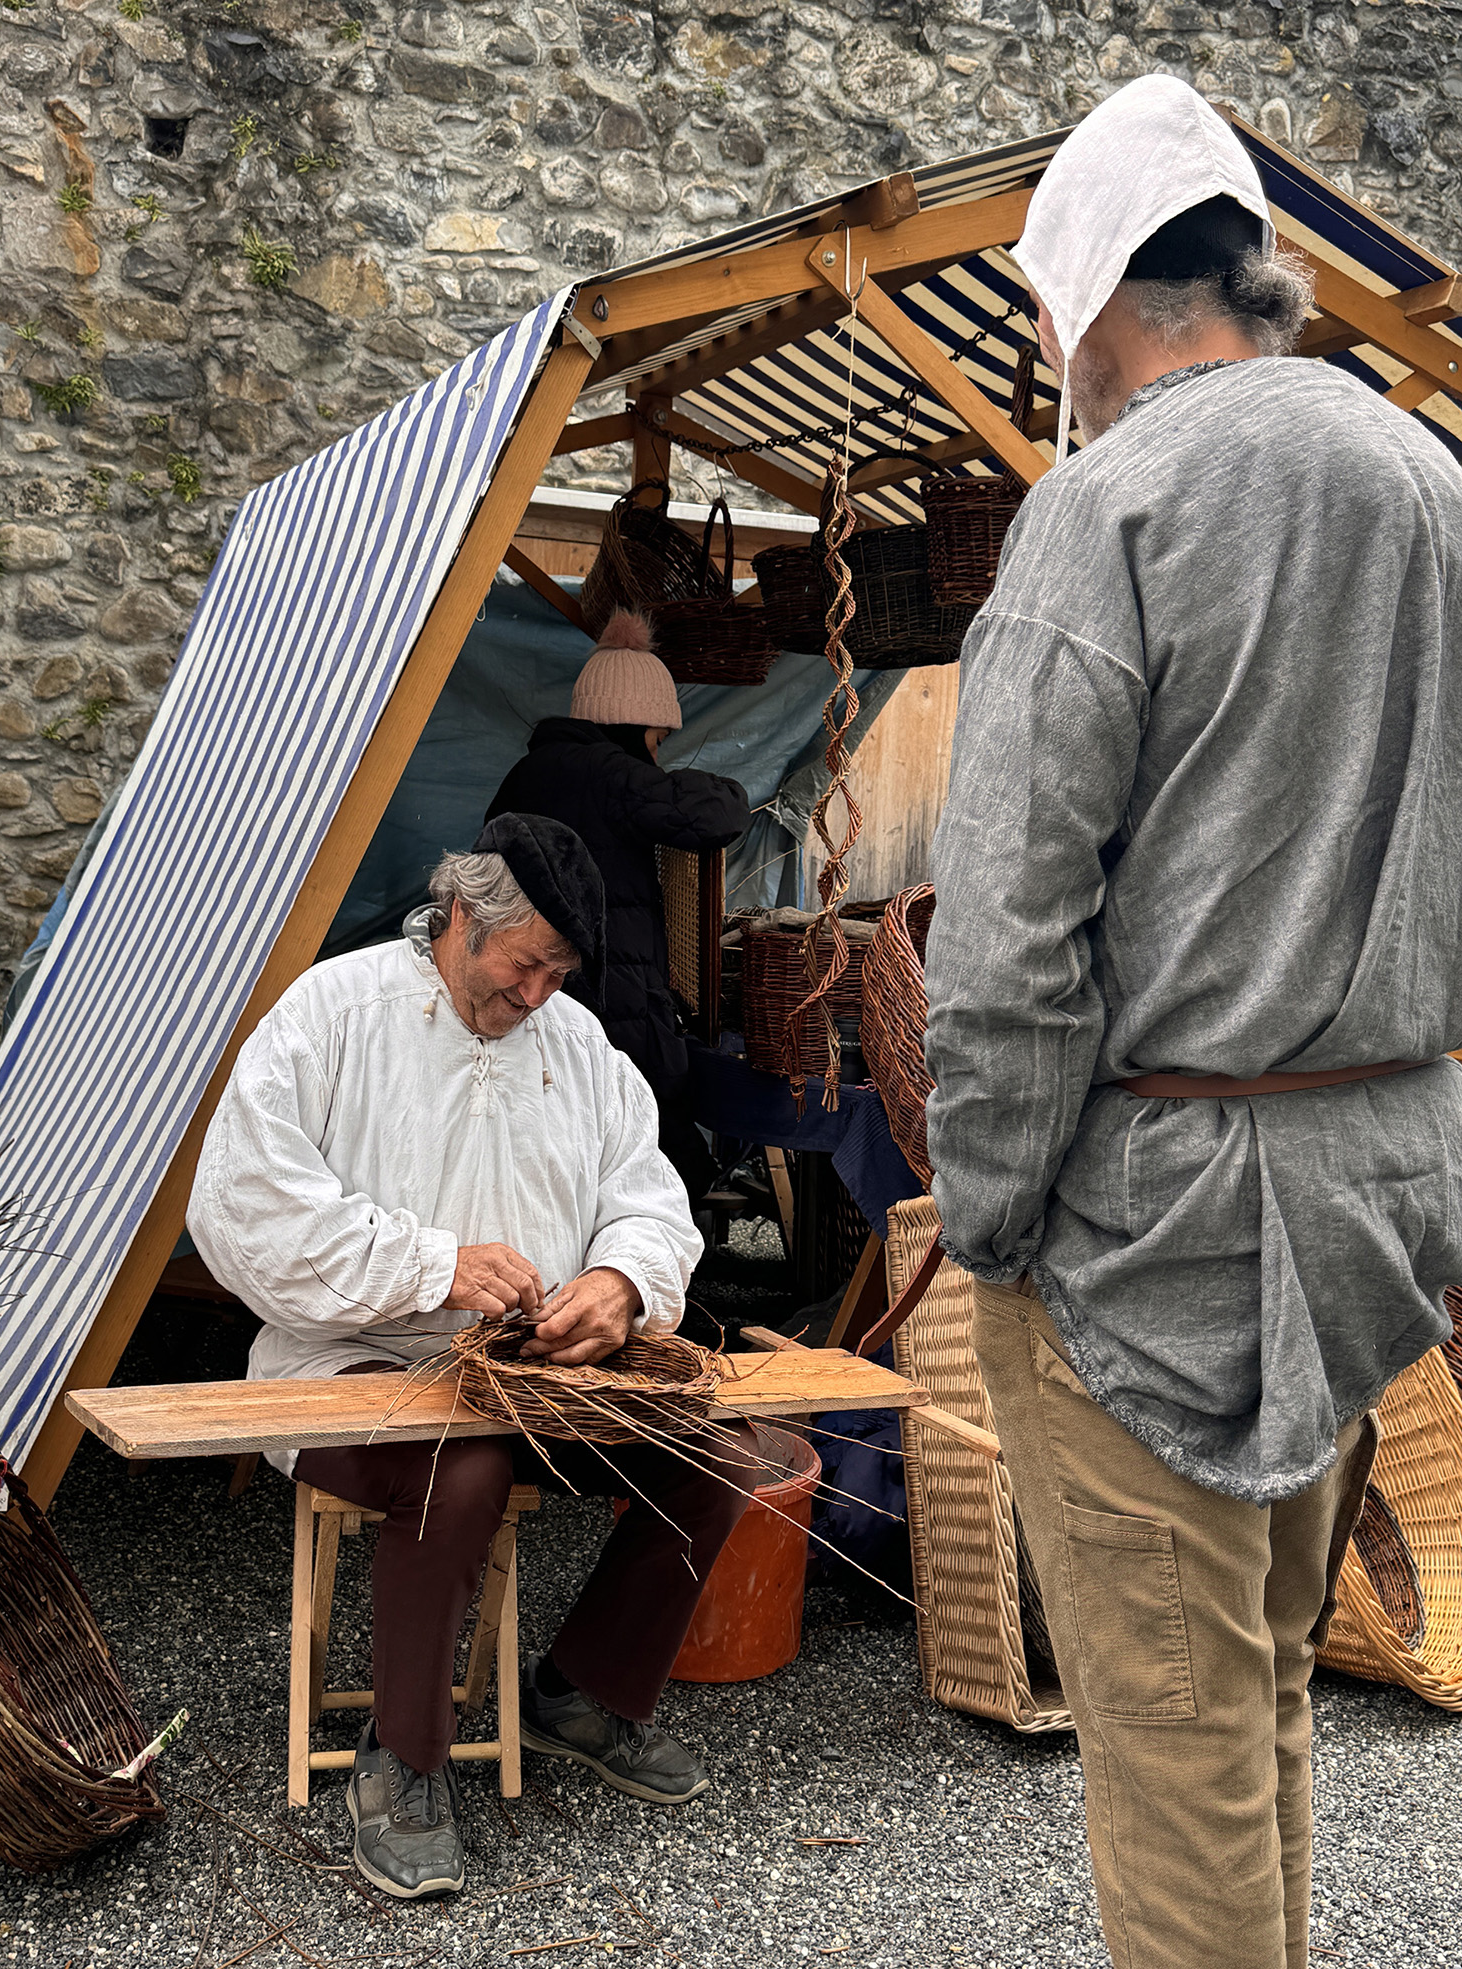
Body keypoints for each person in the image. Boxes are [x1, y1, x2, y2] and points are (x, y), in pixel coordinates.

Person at [925, 75, 1462, 1969]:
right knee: (1260, 1696)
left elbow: (1005, 943)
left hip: (1156, 1226)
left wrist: (991, 1220)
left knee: (1176, 1763)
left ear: (1090, 300)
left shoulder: (1107, 505)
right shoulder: (1435, 486)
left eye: (1040, 318)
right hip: (1381, 1188)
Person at [187, 813, 758, 1901]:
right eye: (524, 964)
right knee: (462, 1468)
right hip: (349, 1361)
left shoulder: (578, 1046)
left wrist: (621, 1284)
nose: (538, 993)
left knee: (719, 1456)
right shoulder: (334, 1014)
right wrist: (431, 1265)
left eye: (559, 972)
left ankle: (578, 1691)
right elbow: (244, 1209)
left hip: (534, 1373)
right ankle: (402, 1760)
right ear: (458, 915)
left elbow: (649, 1201)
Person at [486, 610, 750, 1202]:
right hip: (610, 998)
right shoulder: (608, 773)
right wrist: (730, 787)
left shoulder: (527, 773)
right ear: (631, 725)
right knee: (646, 1151)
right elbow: (718, 814)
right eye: (655, 740)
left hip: (531, 986)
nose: (654, 758)